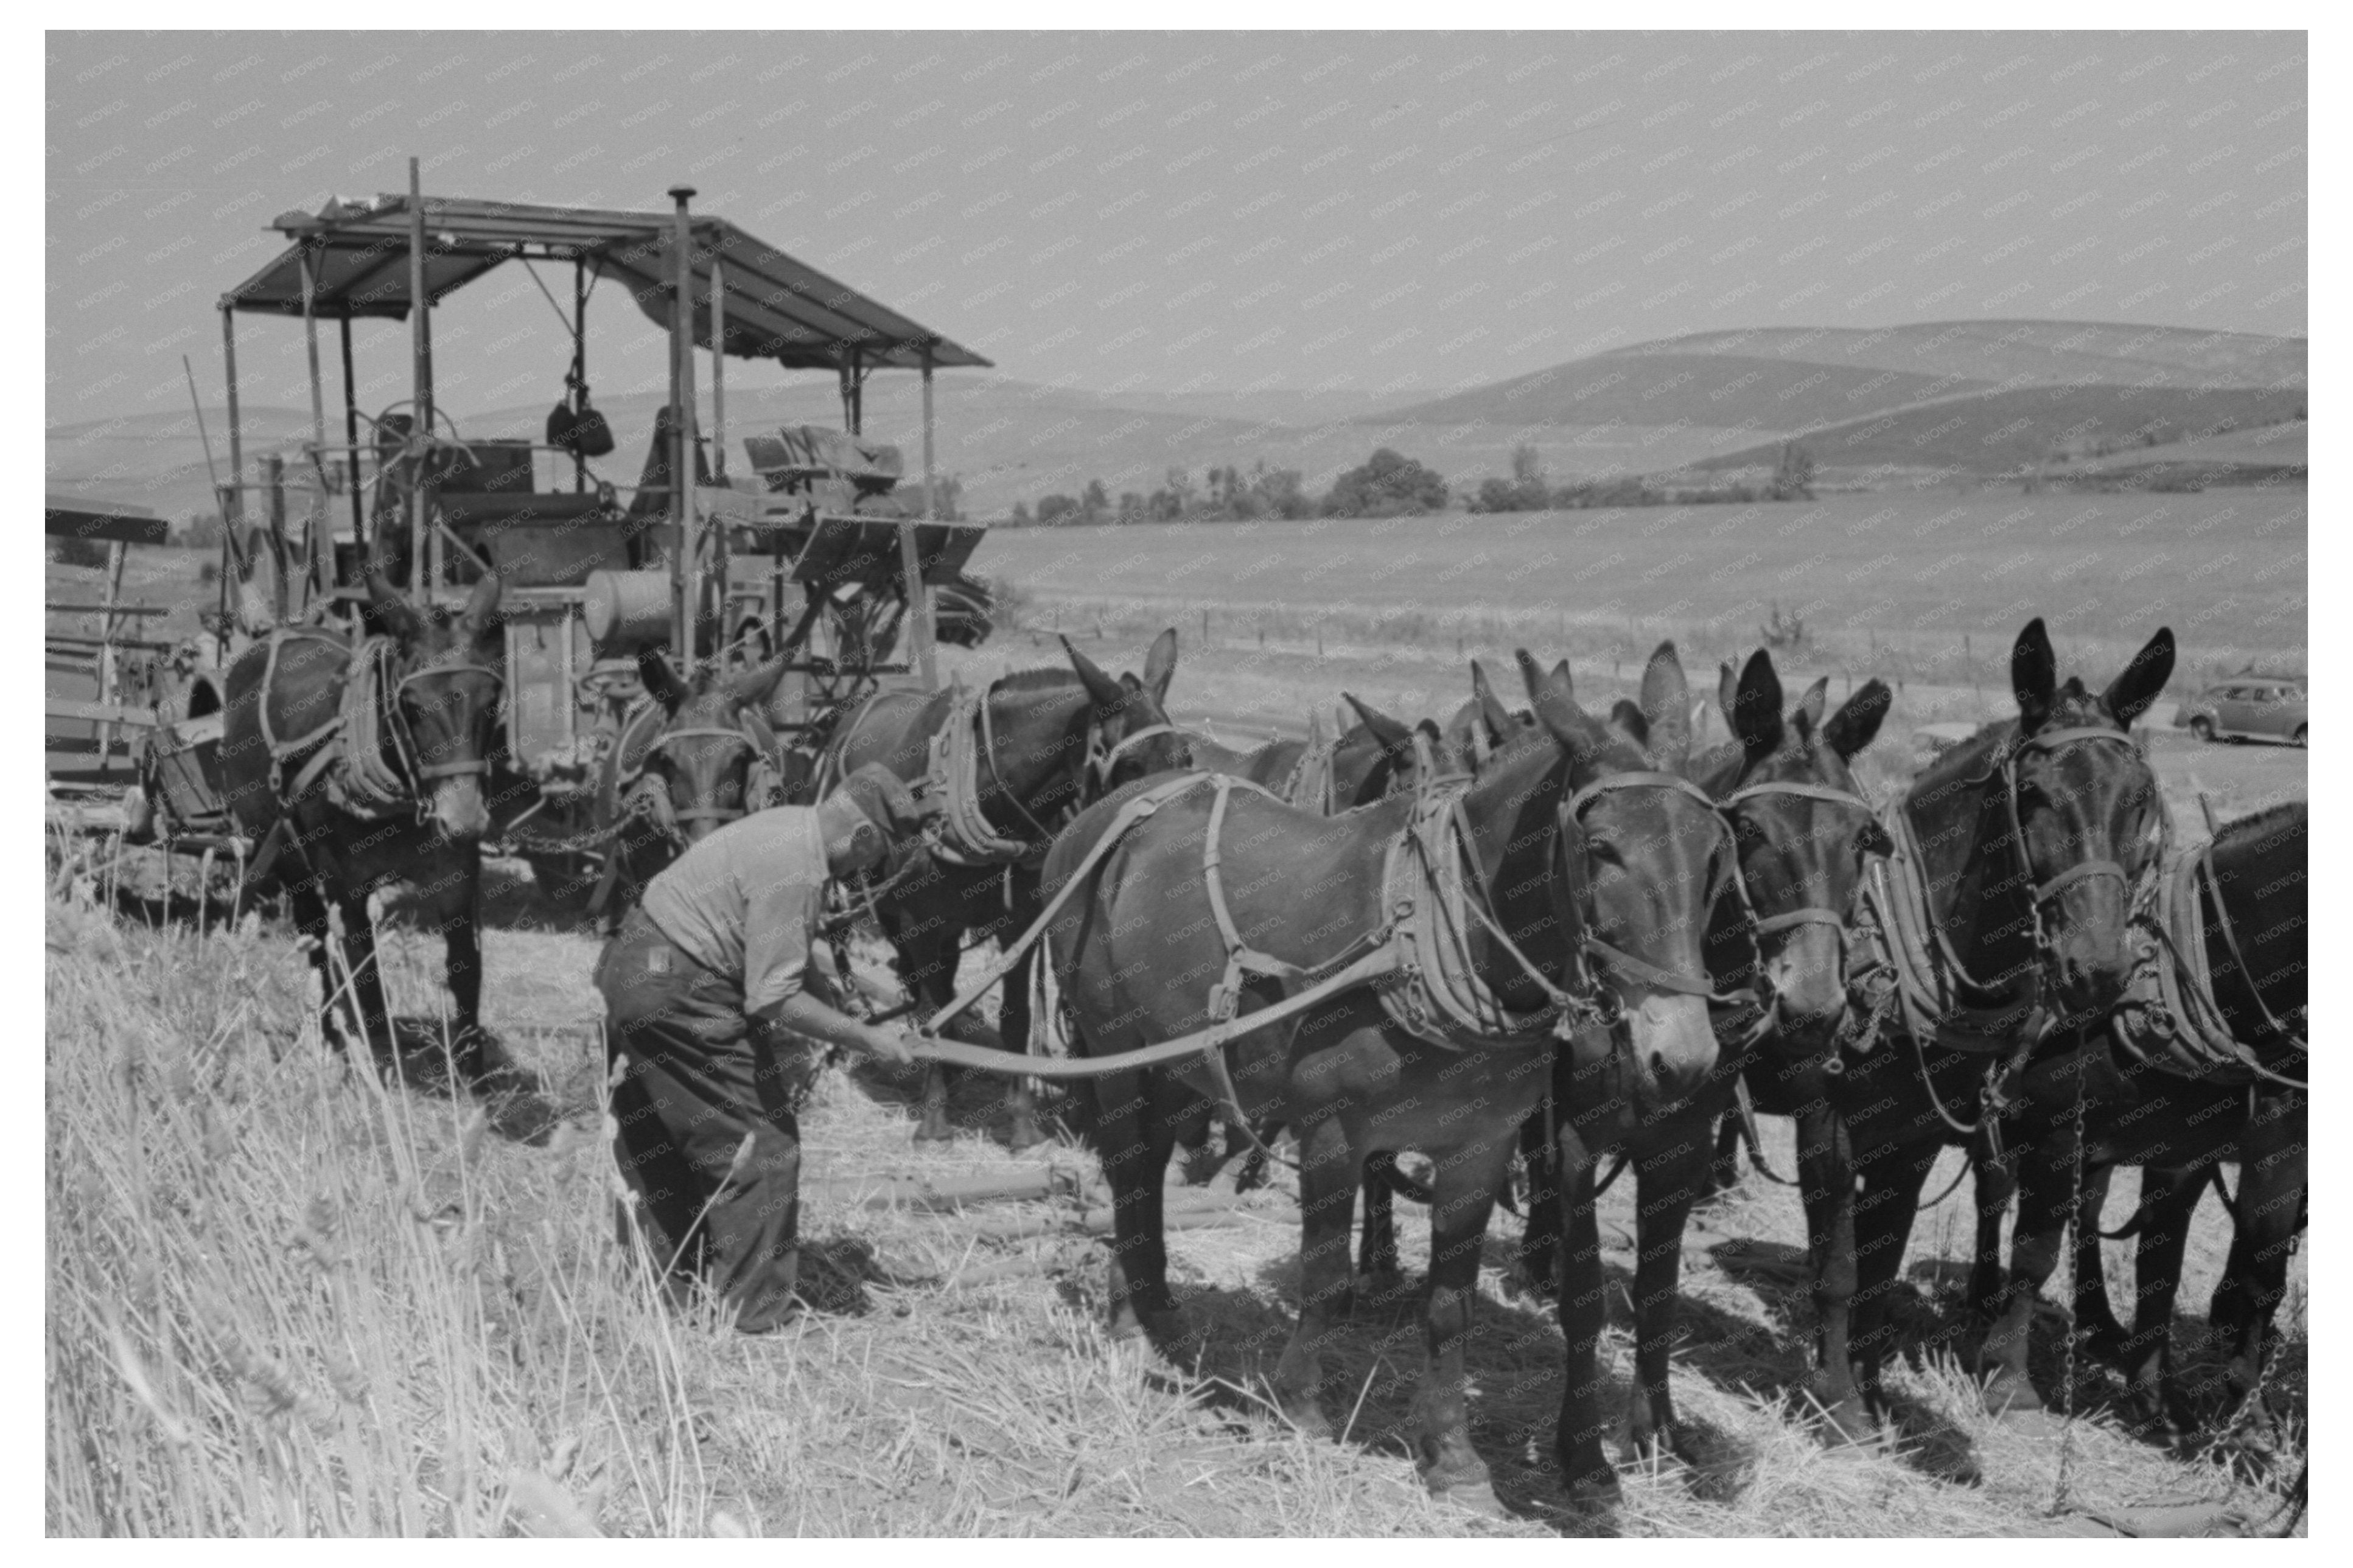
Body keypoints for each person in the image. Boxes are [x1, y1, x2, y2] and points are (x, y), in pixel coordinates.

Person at [595, 761, 931, 1333]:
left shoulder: (789, 827)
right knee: (764, 1144)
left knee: (662, 1142)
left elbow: (783, 956)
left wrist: (837, 1004)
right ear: (865, 835)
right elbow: (774, 997)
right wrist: (867, 1038)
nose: (870, 869)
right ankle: (750, 1316)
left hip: (635, 963)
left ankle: (667, 1291)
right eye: (877, 856)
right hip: (678, 989)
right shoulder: (797, 869)